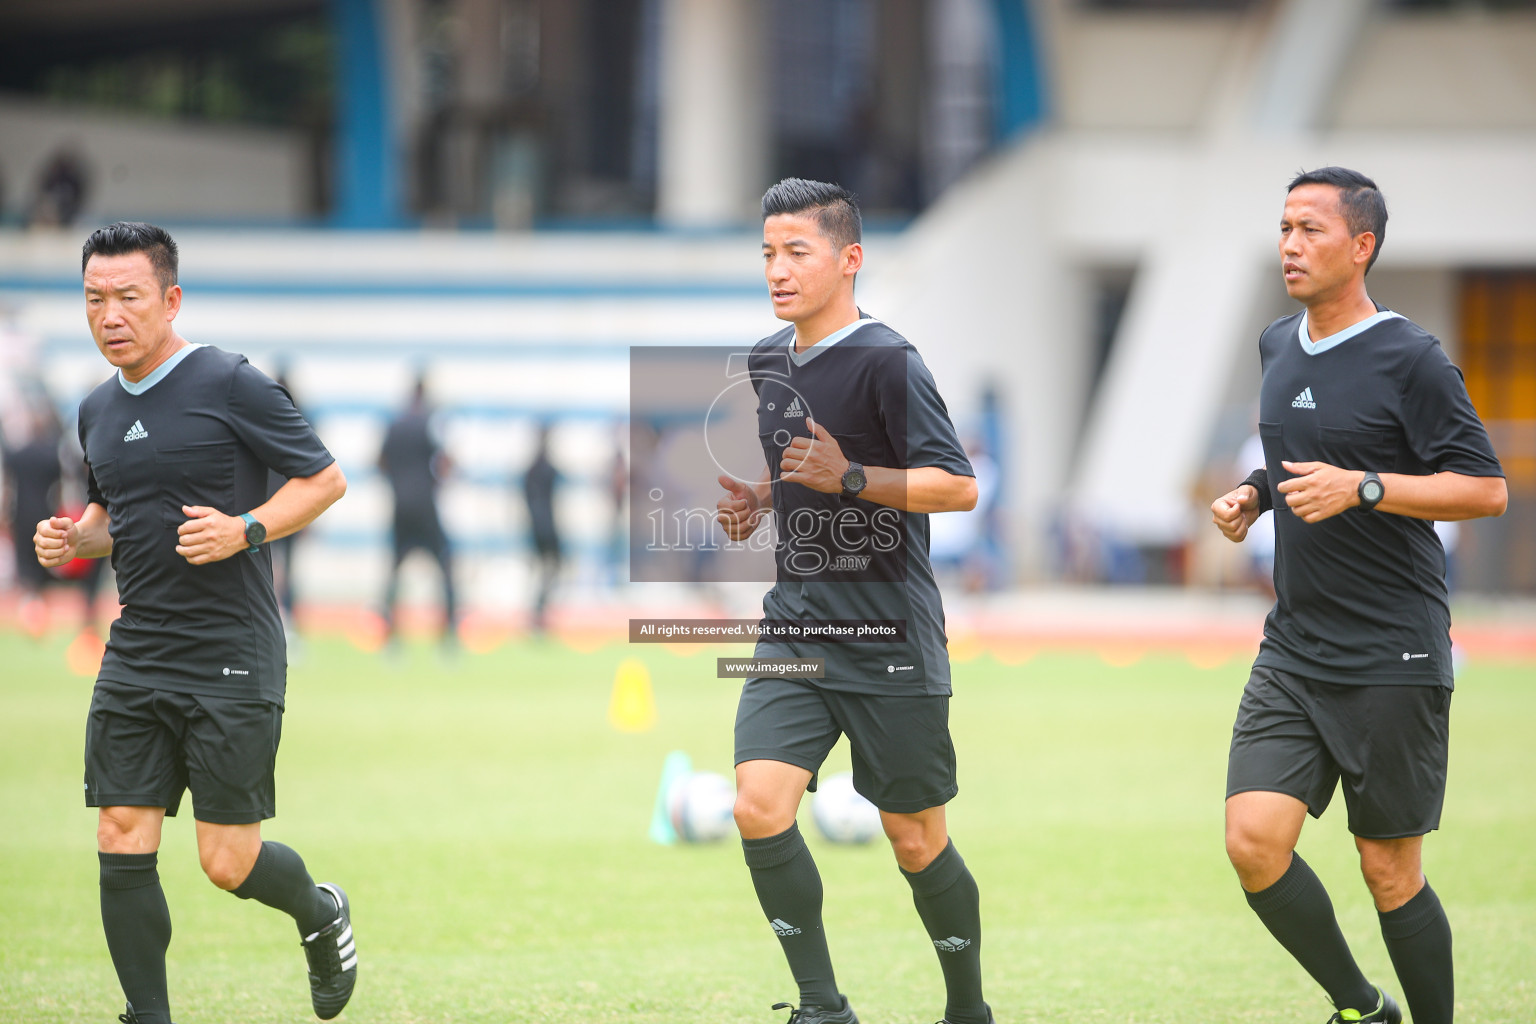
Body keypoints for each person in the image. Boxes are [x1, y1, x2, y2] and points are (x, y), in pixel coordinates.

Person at [34, 222, 355, 1024]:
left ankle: (320, 912)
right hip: (137, 649)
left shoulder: (231, 382)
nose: (110, 315)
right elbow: (116, 514)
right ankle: (150, 1016)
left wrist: (245, 527)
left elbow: (325, 481)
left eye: (127, 297)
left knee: (226, 859)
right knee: (120, 831)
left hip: (231, 655)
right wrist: (77, 536)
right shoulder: (94, 410)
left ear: (170, 299)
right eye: (94, 299)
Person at [1211, 168, 1507, 1024]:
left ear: (1362, 245)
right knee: (1253, 844)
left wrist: (1367, 488)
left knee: (1389, 870)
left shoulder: (1409, 355)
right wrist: (1257, 494)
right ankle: (1362, 1007)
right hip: (1296, 645)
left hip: (1395, 648)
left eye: (1311, 230)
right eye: (1284, 228)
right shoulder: (1276, 343)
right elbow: (1305, 454)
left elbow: (1484, 489)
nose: (1290, 246)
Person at [715, 179, 988, 1024]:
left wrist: (855, 478)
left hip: (888, 637)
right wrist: (760, 496)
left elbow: (959, 488)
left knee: (916, 840)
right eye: (768, 252)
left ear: (849, 260)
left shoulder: (889, 362)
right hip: (796, 626)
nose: (778, 269)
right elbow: (801, 466)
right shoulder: (767, 361)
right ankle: (821, 1007)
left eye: (797, 251)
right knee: (758, 806)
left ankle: (967, 1009)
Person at [378, 374, 458, 648]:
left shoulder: (395, 424)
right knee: (445, 565)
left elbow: (380, 461)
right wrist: (437, 482)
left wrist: (396, 483)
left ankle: (390, 634)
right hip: (425, 504)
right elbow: (446, 461)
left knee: (395, 570)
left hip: (401, 504)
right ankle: (448, 634)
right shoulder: (430, 423)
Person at [522, 421, 562, 633]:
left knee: (546, 571)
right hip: (545, 527)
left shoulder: (532, 468)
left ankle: (539, 613)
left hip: (537, 526)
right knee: (549, 570)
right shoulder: (544, 467)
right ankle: (538, 613)